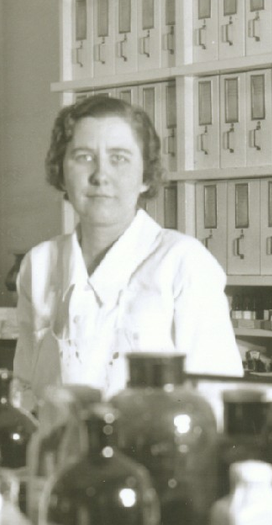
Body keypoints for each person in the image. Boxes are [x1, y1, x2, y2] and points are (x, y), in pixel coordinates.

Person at [14, 94, 242, 406]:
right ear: (61, 171)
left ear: (146, 177)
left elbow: (216, 403)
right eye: (83, 156)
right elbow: (25, 391)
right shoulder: (39, 264)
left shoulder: (184, 263)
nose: (100, 176)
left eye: (118, 158)